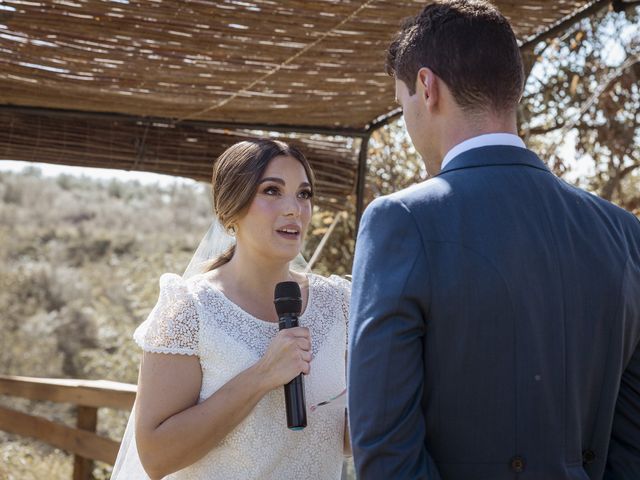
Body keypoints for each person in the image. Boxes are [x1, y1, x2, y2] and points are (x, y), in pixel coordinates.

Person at [347, 1, 640, 479]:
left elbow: (385, 451)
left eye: (402, 106)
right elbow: (632, 445)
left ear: (426, 88)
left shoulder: (401, 220)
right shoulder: (624, 233)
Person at [112, 139, 351, 479]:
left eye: (304, 194)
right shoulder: (189, 308)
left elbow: (344, 437)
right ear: (231, 209)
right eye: (272, 191)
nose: (294, 209)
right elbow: (155, 457)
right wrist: (262, 376)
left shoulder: (339, 302)